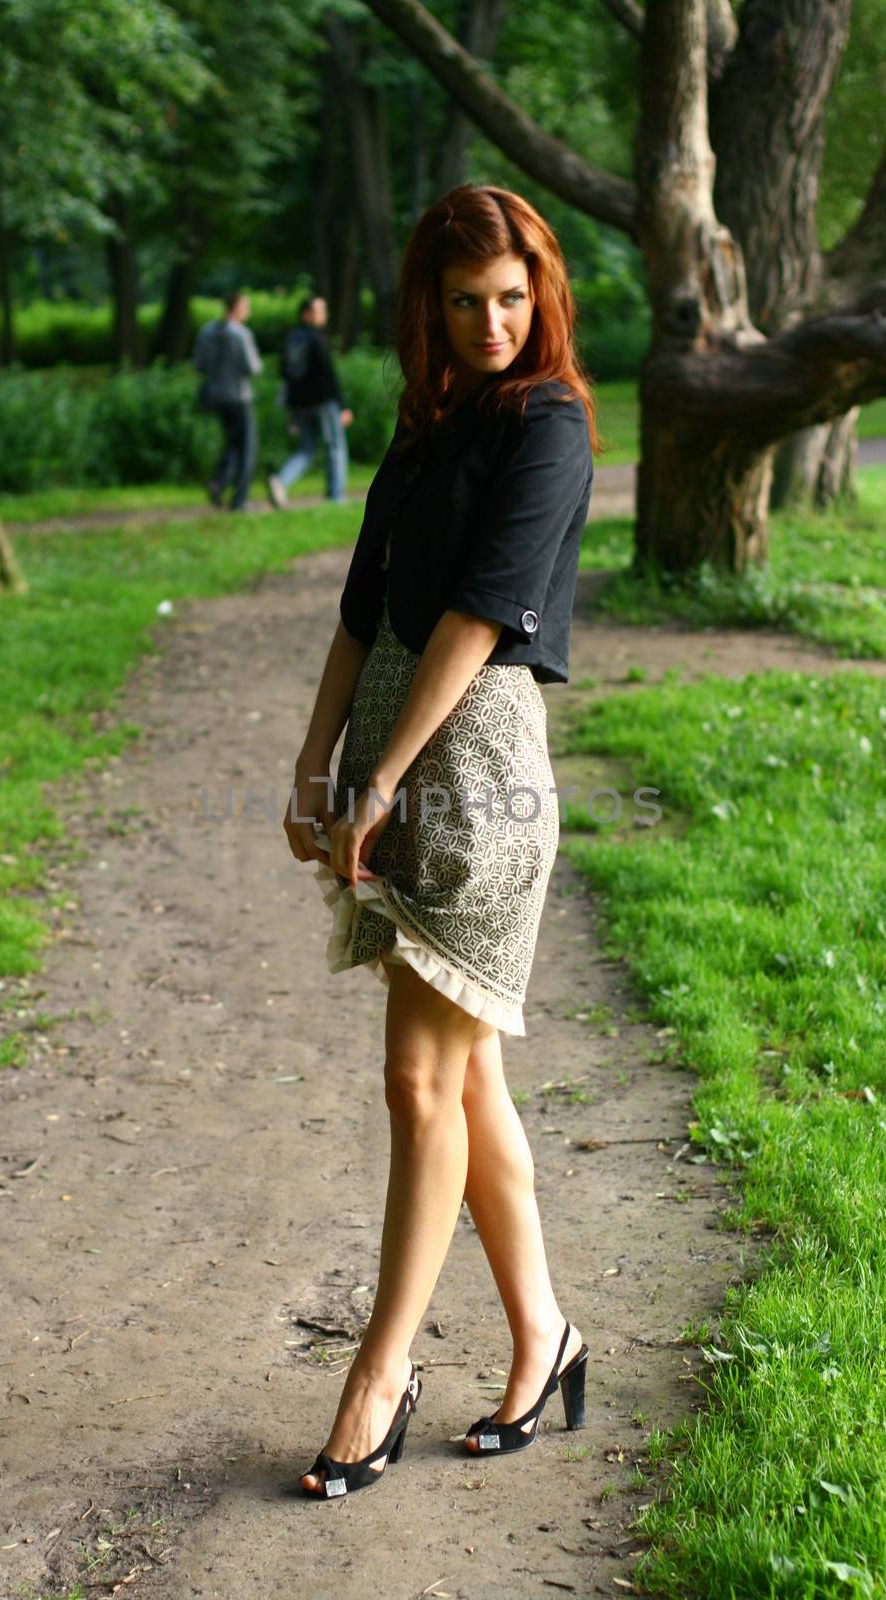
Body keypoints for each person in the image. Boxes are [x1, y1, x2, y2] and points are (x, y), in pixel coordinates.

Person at [283, 184, 599, 1501]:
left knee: (419, 1083)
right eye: (466, 302)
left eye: (513, 299)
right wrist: (313, 763)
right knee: (465, 1085)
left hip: (474, 783)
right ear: (429, 305)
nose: (491, 324)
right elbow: (364, 611)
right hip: (388, 762)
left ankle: (380, 1370)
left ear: (542, 296)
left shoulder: (550, 426)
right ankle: (543, 1342)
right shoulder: (421, 437)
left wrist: (379, 781)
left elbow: (474, 620)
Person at [267, 295, 353, 508]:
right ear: (307, 314)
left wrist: (290, 405)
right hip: (323, 400)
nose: (325, 315)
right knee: (336, 446)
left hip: (298, 402)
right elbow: (328, 373)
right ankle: (335, 496)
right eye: (320, 310)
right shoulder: (316, 338)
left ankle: (280, 481)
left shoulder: (290, 339)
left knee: (306, 448)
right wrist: (342, 405)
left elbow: (284, 372)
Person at [192, 288, 263, 512]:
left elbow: (198, 365)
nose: (248, 311)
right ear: (238, 307)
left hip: (215, 396)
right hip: (239, 396)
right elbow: (253, 367)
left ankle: (218, 482)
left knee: (232, 443)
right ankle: (240, 500)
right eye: (246, 306)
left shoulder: (206, 331)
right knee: (247, 448)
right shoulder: (241, 334)